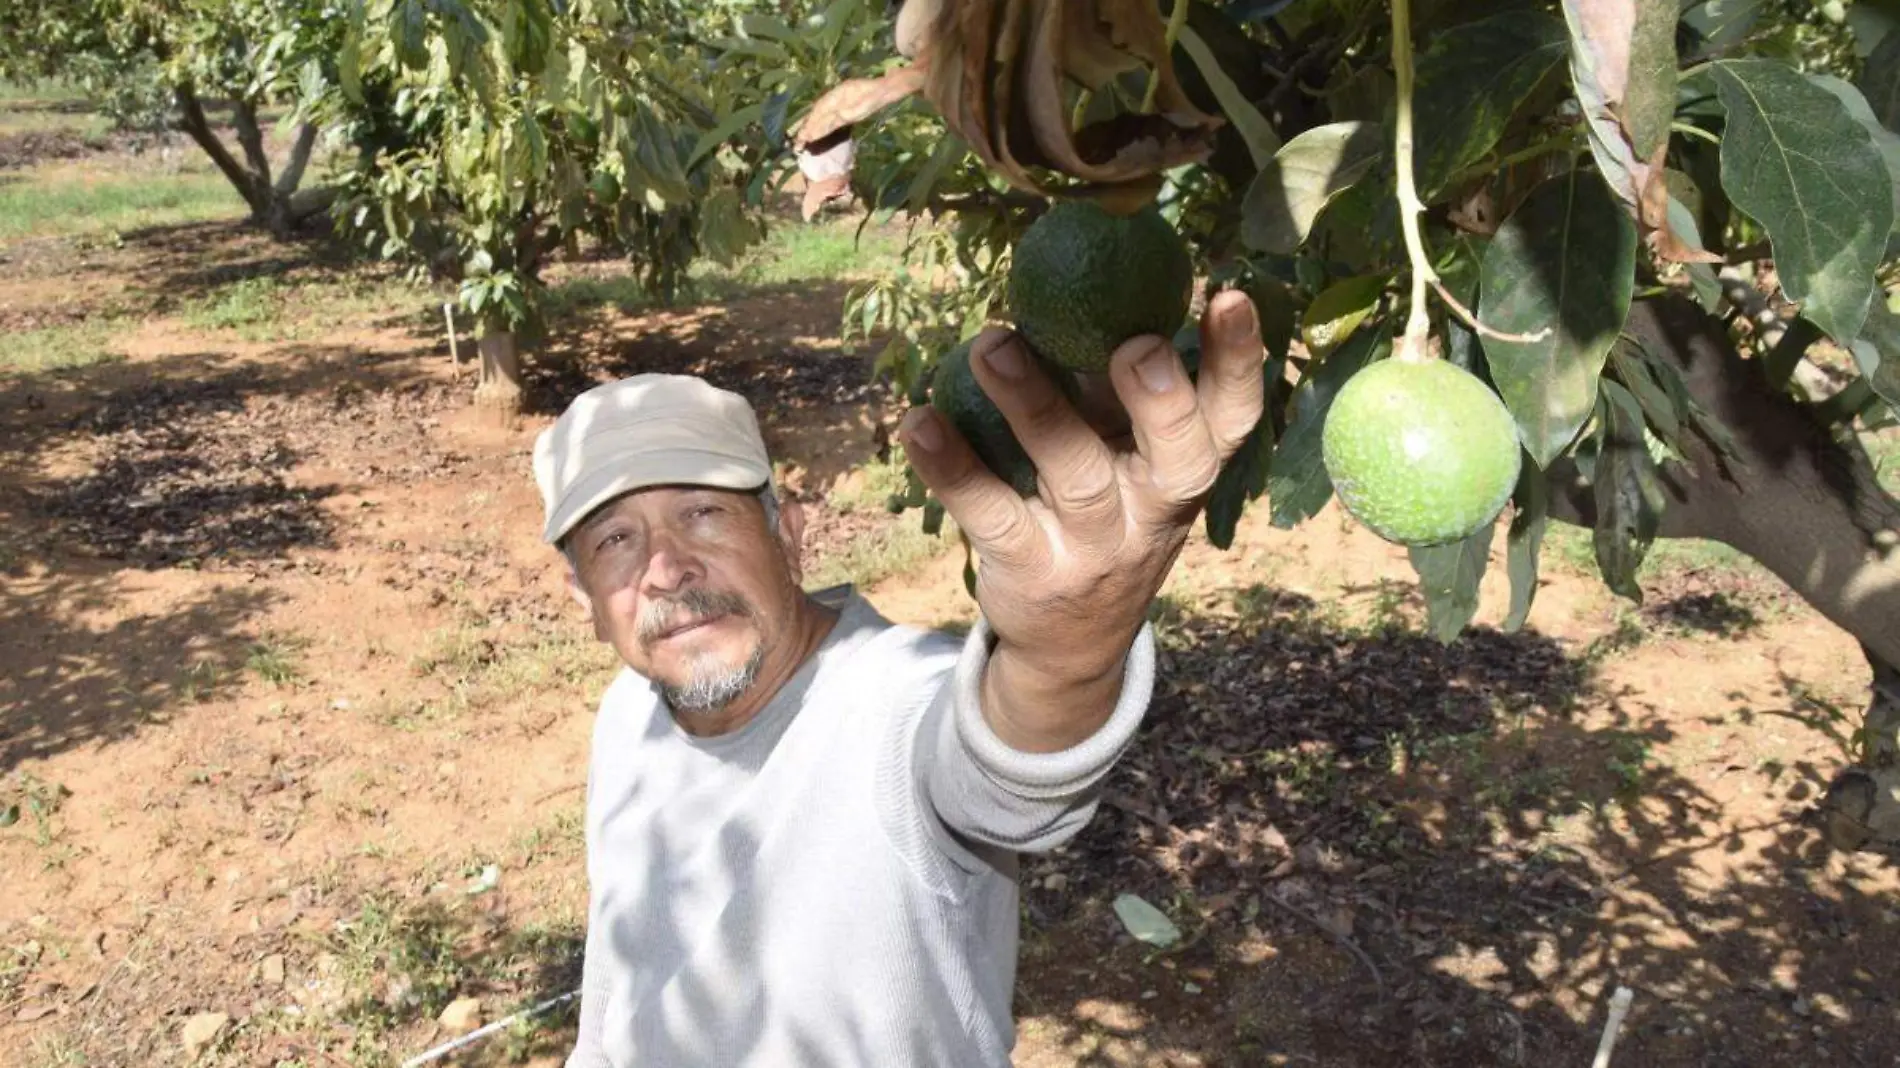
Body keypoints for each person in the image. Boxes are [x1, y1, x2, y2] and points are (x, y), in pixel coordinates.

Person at [532, 289, 1266, 1068]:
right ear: (584, 599)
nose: (666, 569)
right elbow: (621, 979)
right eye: (615, 539)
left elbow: (1007, 777)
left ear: (789, 535)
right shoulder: (628, 713)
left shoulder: (897, 703)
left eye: (704, 513)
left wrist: (1066, 655)